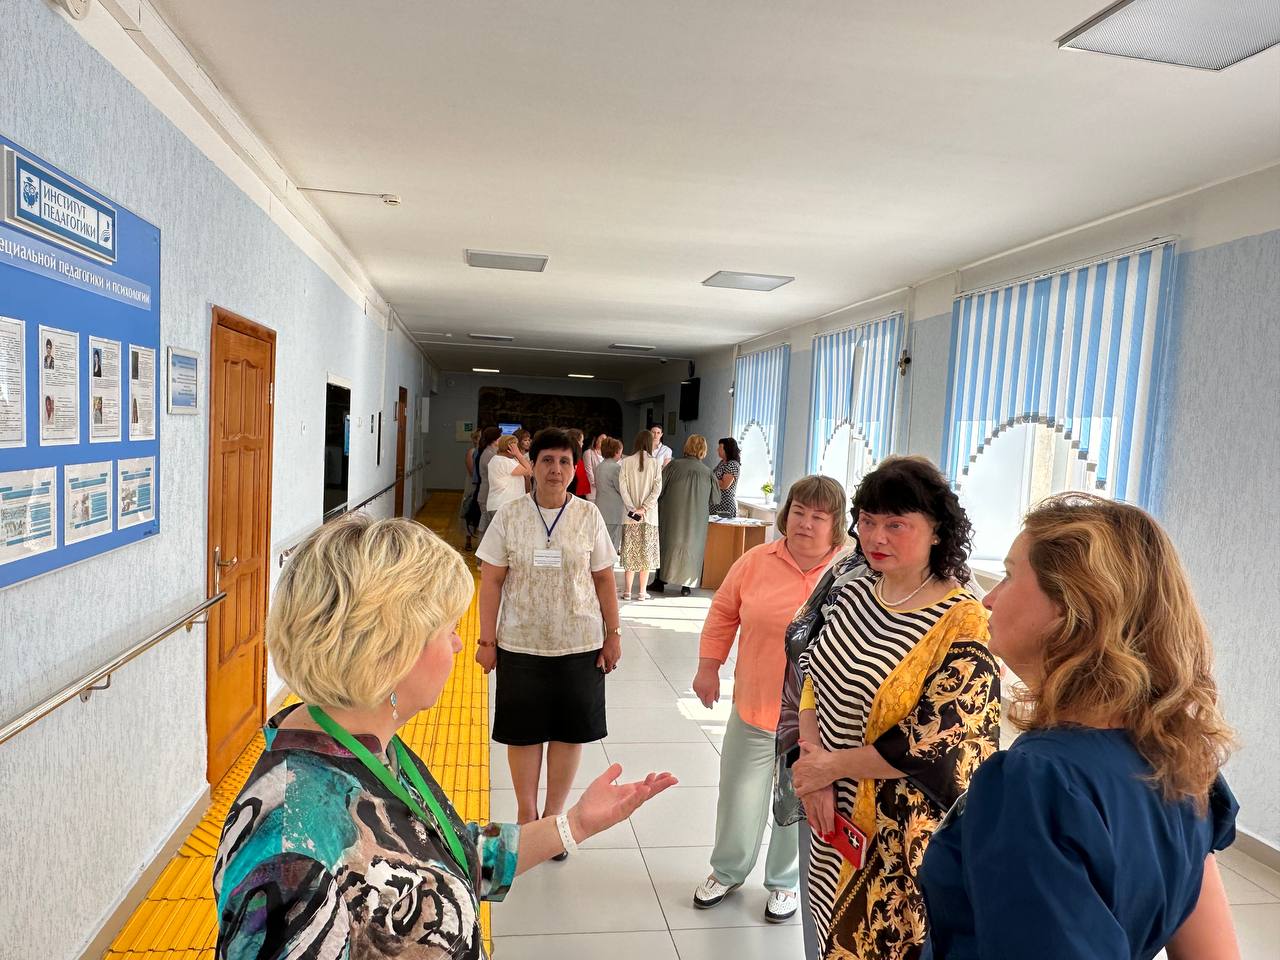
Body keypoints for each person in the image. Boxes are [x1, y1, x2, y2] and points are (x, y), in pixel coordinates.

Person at [213, 513, 677, 958]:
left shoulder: (364, 745)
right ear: (390, 650)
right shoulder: (291, 856)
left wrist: (572, 825)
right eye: (449, 630)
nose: (458, 643)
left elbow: (444, 854)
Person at [918, 494, 1239, 960]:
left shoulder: (1035, 784)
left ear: (1069, 605)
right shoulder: (1178, 756)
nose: (988, 598)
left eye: (1009, 575)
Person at [788, 456, 1000, 960]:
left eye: (895, 524)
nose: (875, 537)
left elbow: (936, 740)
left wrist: (826, 768)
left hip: (895, 832)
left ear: (937, 531)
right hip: (829, 807)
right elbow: (812, 675)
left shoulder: (962, 620)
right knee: (824, 926)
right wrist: (815, 770)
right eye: (867, 521)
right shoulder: (857, 587)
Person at [692, 475, 848, 924]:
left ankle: (784, 881)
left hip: (819, 721)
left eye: (818, 516)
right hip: (756, 706)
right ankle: (728, 871)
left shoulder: (851, 573)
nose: (806, 523)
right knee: (738, 795)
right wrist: (708, 666)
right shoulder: (756, 561)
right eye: (798, 511)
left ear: (836, 524)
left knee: (797, 801)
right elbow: (723, 613)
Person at [475, 428, 626, 843]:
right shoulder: (510, 515)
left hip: (580, 644)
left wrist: (613, 634)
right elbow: (491, 582)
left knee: (568, 731)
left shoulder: (588, 516)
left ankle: (554, 816)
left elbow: (604, 580)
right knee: (523, 731)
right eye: (546, 460)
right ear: (533, 465)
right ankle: (527, 816)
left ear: (575, 468)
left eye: (564, 461)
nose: (555, 469)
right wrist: (487, 641)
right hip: (520, 642)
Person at [648, 434, 715, 596]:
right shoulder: (708, 472)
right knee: (693, 547)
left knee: (667, 544)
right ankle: (687, 585)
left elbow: (659, 489)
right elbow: (715, 498)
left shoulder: (673, 466)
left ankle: (660, 580)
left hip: (671, 514)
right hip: (697, 518)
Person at [619, 429, 662, 601]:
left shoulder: (626, 462)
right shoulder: (656, 463)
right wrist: (644, 508)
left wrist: (633, 509)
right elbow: (657, 490)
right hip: (649, 517)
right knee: (646, 554)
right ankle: (642, 592)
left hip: (630, 517)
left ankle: (627, 591)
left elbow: (623, 489)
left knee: (630, 552)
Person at [486, 434, 533, 518]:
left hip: (499, 505)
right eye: (516, 446)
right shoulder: (505, 461)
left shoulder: (496, 459)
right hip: (505, 505)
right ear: (511, 447)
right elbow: (528, 471)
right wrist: (518, 454)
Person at [593, 436, 625, 551]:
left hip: (600, 508)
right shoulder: (616, 468)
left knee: (601, 546)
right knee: (612, 546)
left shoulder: (599, 467)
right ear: (616, 452)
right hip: (613, 512)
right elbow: (622, 489)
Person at [474, 426, 502, 530]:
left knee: (487, 523)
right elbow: (498, 473)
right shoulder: (489, 454)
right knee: (486, 525)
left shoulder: (492, 452)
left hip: (489, 492)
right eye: (500, 437)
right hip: (487, 493)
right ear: (494, 439)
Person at [460, 428, 483, 550]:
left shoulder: (485, 452)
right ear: (475, 439)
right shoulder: (472, 452)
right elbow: (471, 471)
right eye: (479, 437)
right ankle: (468, 538)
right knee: (468, 509)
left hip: (482, 485)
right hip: (472, 485)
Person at [712, 438, 741, 518]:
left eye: (720, 448)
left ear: (727, 449)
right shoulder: (722, 462)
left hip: (725, 506)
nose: (717, 450)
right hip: (716, 504)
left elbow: (725, 485)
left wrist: (710, 479)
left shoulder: (732, 464)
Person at [565, 428, 591, 498]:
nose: (582, 444)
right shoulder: (571, 457)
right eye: (581, 441)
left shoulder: (577, 456)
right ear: (575, 441)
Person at [583, 434, 606, 501]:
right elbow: (588, 471)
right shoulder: (588, 453)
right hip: (593, 492)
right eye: (602, 439)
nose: (604, 441)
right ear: (596, 439)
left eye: (605, 440)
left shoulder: (606, 455)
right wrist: (595, 484)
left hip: (605, 492)